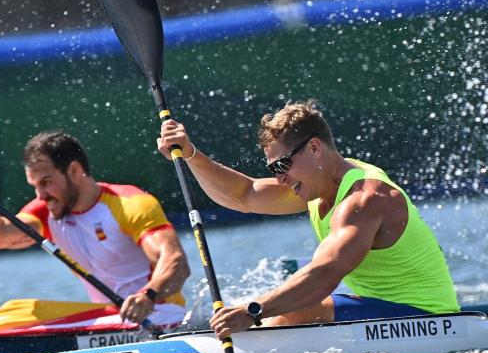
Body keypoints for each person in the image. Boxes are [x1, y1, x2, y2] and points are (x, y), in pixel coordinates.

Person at [157, 99, 459, 338]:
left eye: (282, 166)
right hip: (378, 310)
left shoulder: (365, 198)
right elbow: (243, 195)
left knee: (295, 310)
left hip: (428, 320)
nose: (280, 178)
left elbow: (323, 277)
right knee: (284, 305)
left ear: (314, 147)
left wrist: (252, 312)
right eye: (274, 170)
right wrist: (191, 155)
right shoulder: (318, 185)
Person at [0, 131, 190, 325]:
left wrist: (147, 295)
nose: (41, 195)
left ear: (75, 171)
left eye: (46, 182)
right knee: (15, 312)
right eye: (34, 186)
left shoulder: (129, 204)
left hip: (160, 315)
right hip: (108, 319)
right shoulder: (46, 212)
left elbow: (176, 263)